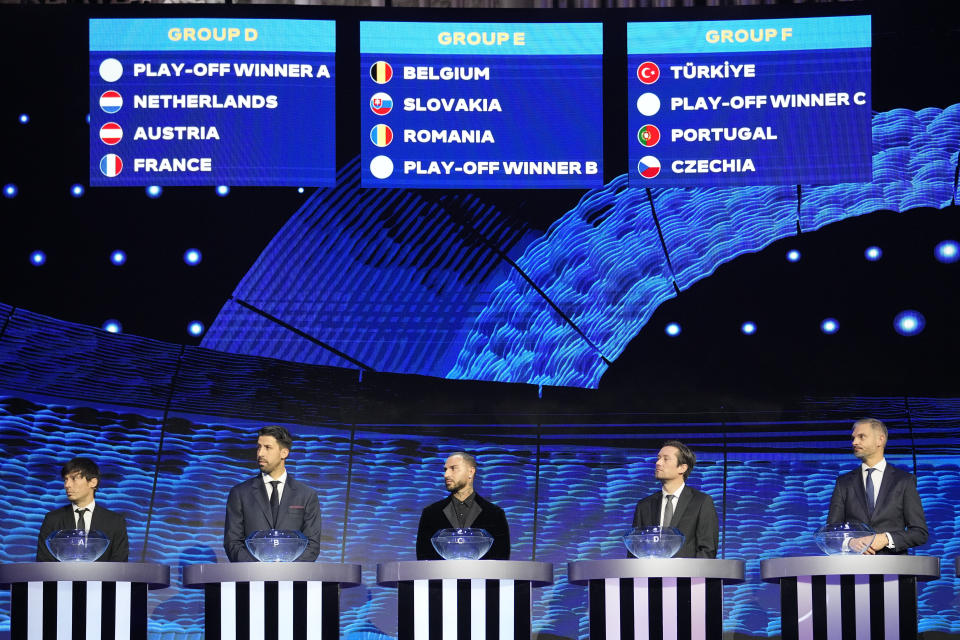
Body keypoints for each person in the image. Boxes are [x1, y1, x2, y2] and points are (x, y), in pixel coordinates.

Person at [827, 418, 927, 555]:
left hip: (894, 569)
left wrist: (886, 538)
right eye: (853, 438)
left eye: (861, 436)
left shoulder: (904, 481)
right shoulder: (843, 483)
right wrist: (849, 542)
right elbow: (830, 532)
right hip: (854, 570)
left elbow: (919, 533)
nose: (854, 442)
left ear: (880, 440)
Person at [224, 426, 322, 562]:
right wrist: (260, 571)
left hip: (292, 579)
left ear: (284, 453)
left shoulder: (306, 495)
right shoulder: (240, 493)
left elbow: (312, 545)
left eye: (267, 448)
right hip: (251, 577)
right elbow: (233, 543)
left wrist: (286, 573)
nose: (260, 453)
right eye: (259, 447)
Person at [631, 440, 719, 558]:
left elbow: (707, 549)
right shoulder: (644, 505)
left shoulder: (701, 502)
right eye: (658, 458)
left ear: (682, 468)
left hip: (687, 575)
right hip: (651, 575)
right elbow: (635, 549)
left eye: (665, 459)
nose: (658, 462)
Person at [416, 452, 510, 560]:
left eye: (453, 468)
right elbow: (423, 559)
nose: (446, 475)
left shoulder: (494, 514)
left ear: (470, 472)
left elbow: (501, 559)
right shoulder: (431, 514)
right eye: (445, 469)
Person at [36, 457, 129, 562]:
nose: (67, 485)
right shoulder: (52, 519)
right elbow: (43, 563)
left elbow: (119, 564)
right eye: (65, 479)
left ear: (93, 482)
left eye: (74, 478)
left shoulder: (115, 521)